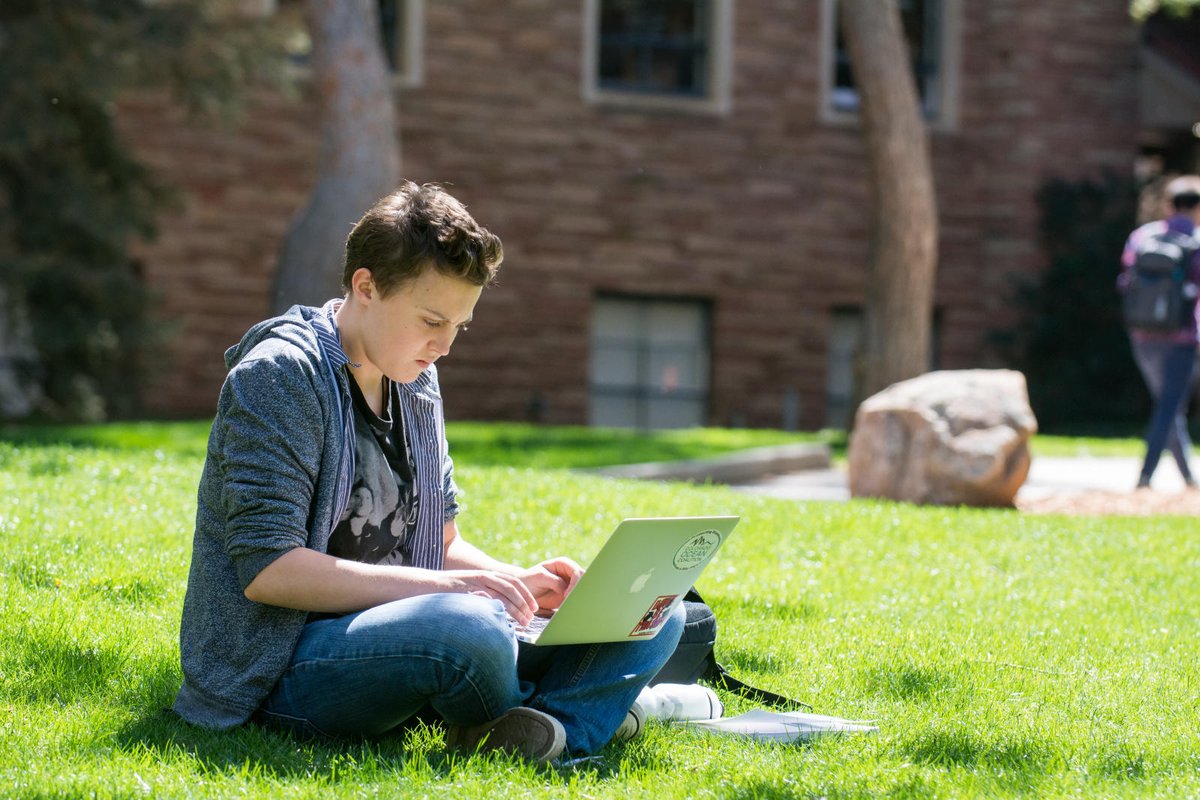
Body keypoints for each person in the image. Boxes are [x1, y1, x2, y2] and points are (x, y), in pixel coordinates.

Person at [172, 182, 684, 763]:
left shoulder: (413, 374)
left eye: (459, 327)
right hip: (284, 666)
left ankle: (545, 731)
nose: (443, 347)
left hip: (418, 631)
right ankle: (577, 711)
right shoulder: (280, 377)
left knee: (654, 612)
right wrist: (463, 591)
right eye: (431, 320)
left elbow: (438, 544)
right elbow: (270, 571)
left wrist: (518, 583)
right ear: (365, 286)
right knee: (466, 628)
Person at [1118, 175, 1200, 489]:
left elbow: (1125, 281)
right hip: (1181, 339)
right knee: (1168, 407)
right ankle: (1146, 476)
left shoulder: (1142, 236)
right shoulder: (1195, 241)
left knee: (1168, 405)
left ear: (1169, 205)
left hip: (1142, 335)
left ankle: (1188, 477)